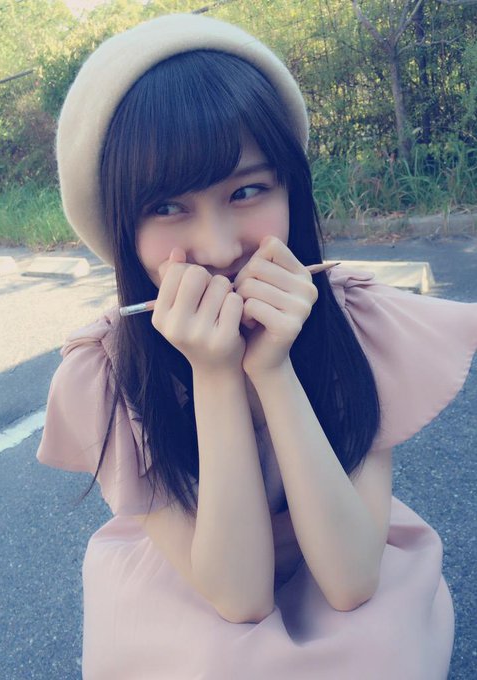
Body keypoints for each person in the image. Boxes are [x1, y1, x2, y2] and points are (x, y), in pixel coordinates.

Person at [36, 13, 477, 680]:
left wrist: (273, 368)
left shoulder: (352, 323)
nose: (219, 249)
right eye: (166, 207)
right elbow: (239, 597)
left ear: (290, 188)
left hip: (337, 534)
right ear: (121, 227)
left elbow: (352, 578)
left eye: (247, 191)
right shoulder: (110, 373)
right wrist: (215, 374)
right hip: (200, 563)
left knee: (379, 650)